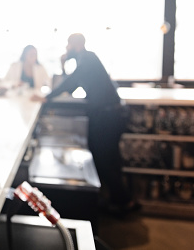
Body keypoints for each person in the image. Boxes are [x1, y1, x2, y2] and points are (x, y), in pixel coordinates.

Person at [32, 33, 136, 215]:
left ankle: (124, 202)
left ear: (75, 45)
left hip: (108, 116)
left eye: (68, 44)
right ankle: (120, 200)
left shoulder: (87, 59)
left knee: (105, 160)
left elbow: (70, 84)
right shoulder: (86, 60)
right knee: (109, 159)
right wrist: (63, 66)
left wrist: (46, 98)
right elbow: (71, 84)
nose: (66, 48)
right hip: (110, 115)